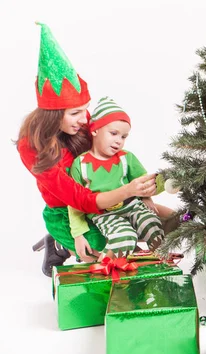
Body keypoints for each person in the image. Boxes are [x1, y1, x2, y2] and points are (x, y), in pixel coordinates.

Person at [18, 23, 158, 276]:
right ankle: (60, 242)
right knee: (109, 250)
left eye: (85, 109)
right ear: (53, 115)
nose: (85, 118)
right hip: (68, 211)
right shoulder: (32, 147)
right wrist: (124, 194)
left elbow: (111, 158)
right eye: (75, 113)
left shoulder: (81, 124)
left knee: (157, 221)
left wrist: (141, 195)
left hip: (104, 200)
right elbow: (78, 199)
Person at [68, 97, 164, 260]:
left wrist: (146, 196)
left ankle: (160, 260)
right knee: (124, 237)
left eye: (124, 137)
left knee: (152, 224)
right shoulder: (81, 164)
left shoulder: (127, 158)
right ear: (95, 130)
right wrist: (78, 234)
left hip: (132, 206)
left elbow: (144, 181)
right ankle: (105, 268)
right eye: (113, 134)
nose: (118, 141)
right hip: (104, 213)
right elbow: (74, 202)